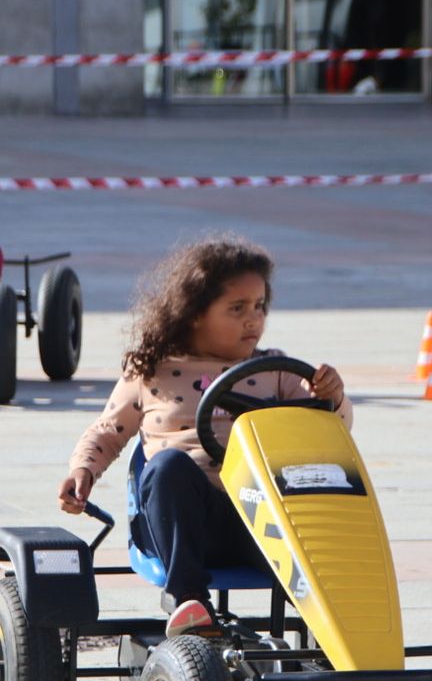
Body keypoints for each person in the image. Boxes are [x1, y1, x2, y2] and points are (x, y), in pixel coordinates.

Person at [57, 236, 351, 638]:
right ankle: (189, 600)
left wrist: (332, 395)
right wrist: (83, 470)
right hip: (183, 522)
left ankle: (334, 615)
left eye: (260, 306)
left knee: (318, 477)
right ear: (194, 312)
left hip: (262, 521)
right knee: (168, 467)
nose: (253, 319)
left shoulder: (276, 370)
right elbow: (107, 430)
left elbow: (331, 428)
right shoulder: (152, 370)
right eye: (237, 308)